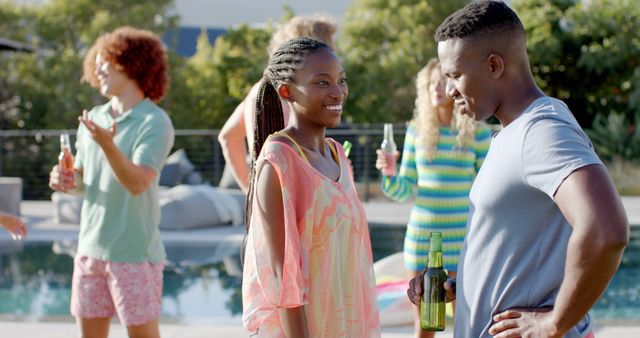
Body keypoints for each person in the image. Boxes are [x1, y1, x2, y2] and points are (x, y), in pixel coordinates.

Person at [407, 1, 629, 337]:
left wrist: (555, 322)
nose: (450, 90)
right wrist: (459, 284)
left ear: (494, 65)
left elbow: (607, 230)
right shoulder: (511, 133)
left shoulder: (541, 130)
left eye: (454, 75)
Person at [241, 37, 380, 337]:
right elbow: (282, 277)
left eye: (341, 80)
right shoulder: (279, 161)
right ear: (287, 91)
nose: (337, 91)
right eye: (321, 82)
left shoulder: (337, 154)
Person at [48, 26, 174, 338]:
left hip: (134, 256)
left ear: (133, 63)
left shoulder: (154, 122)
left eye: (107, 61)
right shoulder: (94, 118)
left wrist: (107, 144)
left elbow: (138, 183)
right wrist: (66, 179)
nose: (99, 68)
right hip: (89, 251)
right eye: (98, 62)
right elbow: (83, 181)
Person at [376, 57, 491, 338]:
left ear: (455, 86)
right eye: (430, 85)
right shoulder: (417, 132)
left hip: (464, 240)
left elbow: (490, 187)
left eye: (442, 82)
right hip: (423, 241)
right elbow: (402, 190)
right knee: (426, 325)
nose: (436, 89)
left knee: (470, 323)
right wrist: (388, 174)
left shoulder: (477, 131)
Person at [218, 14, 337, 192]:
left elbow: (228, 137)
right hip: (295, 202)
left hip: (270, 199)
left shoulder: (258, 90)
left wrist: (250, 189)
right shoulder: (292, 95)